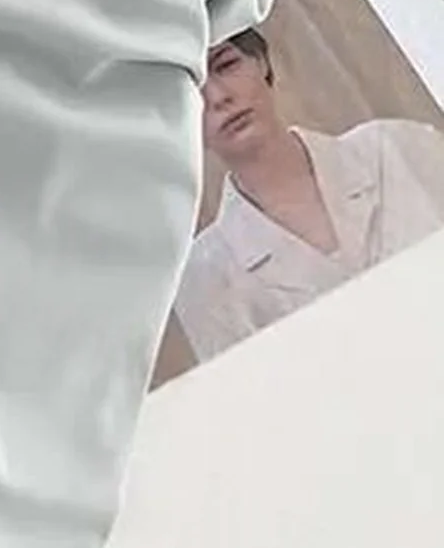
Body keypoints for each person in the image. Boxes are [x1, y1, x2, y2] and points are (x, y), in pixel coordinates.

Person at [175, 27, 444, 360]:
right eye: (190, 90)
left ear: (261, 62)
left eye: (226, 65)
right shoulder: (205, 276)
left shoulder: (397, 147)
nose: (218, 97)